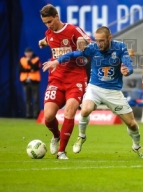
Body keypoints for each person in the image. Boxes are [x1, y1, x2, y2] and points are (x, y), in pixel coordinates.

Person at [43, 26, 143, 159]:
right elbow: (73, 54)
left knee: (132, 124)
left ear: (110, 38)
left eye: (102, 41)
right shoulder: (93, 48)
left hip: (113, 91)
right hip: (95, 88)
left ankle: (137, 146)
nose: (99, 44)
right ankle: (81, 136)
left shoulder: (120, 47)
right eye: (97, 40)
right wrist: (57, 61)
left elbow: (129, 65)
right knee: (85, 109)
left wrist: (126, 70)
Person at [39, 4, 90, 159]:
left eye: (50, 21)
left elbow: (88, 40)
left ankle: (61, 151)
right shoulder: (49, 33)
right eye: (45, 23)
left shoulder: (73, 29)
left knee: (70, 111)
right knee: (48, 116)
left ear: (57, 17)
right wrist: (42, 42)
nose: (48, 25)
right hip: (56, 79)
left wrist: (83, 40)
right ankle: (56, 135)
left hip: (76, 78)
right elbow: (49, 39)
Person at [19, 47, 41, 119]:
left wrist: (29, 62)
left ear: (31, 53)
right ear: (25, 53)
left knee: (36, 98)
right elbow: (20, 69)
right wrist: (29, 70)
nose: (28, 54)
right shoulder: (22, 59)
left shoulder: (36, 59)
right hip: (25, 81)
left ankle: (36, 114)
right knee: (27, 99)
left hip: (34, 81)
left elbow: (35, 68)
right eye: (27, 52)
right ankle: (29, 114)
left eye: (29, 52)